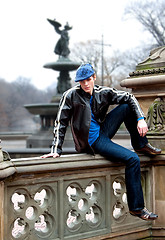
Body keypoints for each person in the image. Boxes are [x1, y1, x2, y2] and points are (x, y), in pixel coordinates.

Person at [42, 63, 161, 221]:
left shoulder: (103, 92)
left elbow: (130, 97)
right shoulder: (70, 95)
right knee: (133, 159)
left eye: (88, 80)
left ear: (94, 78)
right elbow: (60, 123)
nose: (85, 84)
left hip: (103, 131)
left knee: (126, 106)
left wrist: (140, 119)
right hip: (92, 141)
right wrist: (56, 149)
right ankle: (137, 208)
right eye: (82, 81)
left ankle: (140, 144)